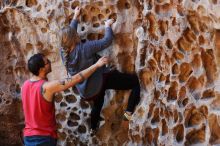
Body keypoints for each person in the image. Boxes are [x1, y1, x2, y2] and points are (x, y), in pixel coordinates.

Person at [60, 7, 141, 133]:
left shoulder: (63, 52)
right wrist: (108, 25)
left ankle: (93, 128)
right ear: (74, 36)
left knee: (98, 104)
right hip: (100, 81)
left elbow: (69, 34)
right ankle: (128, 113)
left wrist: (76, 16)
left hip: (87, 91)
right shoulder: (85, 48)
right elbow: (106, 41)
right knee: (135, 82)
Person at [21, 53, 108, 146]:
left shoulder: (25, 85)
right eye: (47, 62)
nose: (50, 63)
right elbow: (76, 78)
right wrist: (96, 65)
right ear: (41, 69)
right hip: (43, 138)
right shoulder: (47, 87)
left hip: (28, 137)